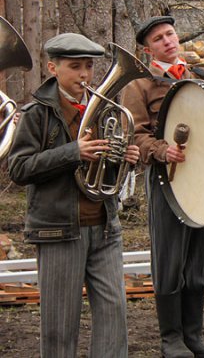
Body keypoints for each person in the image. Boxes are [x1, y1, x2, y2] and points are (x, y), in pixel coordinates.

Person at [8, 33, 140, 358]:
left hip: (106, 228)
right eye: (75, 66)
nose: (84, 75)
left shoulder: (105, 110)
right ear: (53, 67)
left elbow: (107, 174)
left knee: (114, 317)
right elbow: (19, 169)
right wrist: (73, 152)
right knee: (59, 327)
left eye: (89, 67)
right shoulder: (36, 112)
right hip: (58, 231)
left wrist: (123, 157)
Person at [121, 16, 204, 358]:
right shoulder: (138, 85)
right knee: (170, 258)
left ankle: (194, 336)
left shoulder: (199, 73)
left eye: (170, 34)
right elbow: (134, 135)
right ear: (148, 48)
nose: (168, 41)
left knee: (201, 256)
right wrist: (160, 149)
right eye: (159, 38)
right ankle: (171, 338)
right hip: (166, 180)